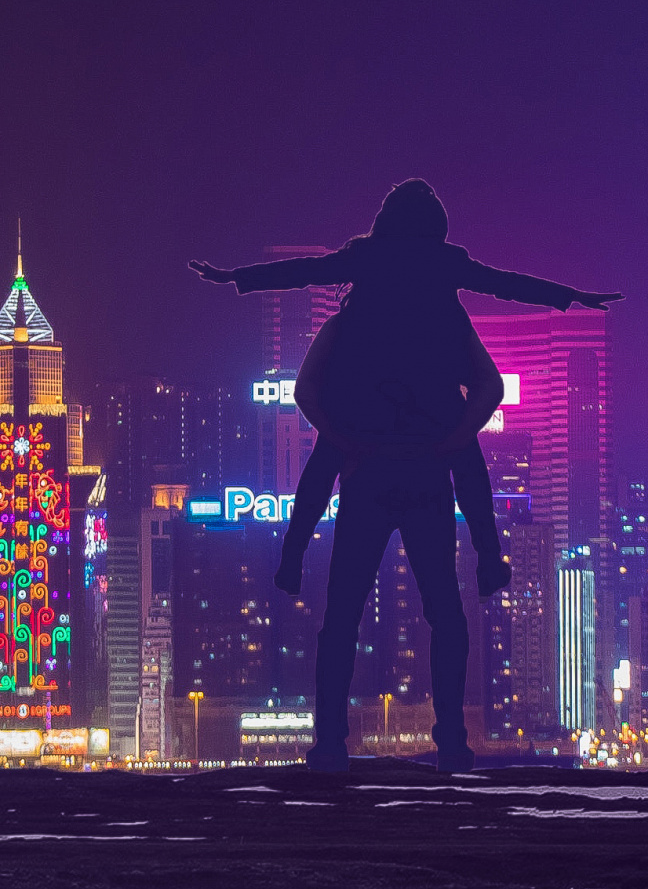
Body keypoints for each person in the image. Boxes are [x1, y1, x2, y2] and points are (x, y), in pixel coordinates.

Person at [190, 179, 622, 772]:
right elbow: (506, 288)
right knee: (445, 612)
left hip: (365, 468)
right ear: (436, 231)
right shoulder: (445, 303)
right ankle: (452, 740)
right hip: (426, 469)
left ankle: (331, 744)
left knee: (340, 615)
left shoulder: (356, 298)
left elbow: (304, 277)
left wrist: (234, 278)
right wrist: (571, 297)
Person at [272, 309, 510, 601]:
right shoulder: (442, 321)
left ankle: (293, 553)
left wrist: (336, 432)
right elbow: (490, 385)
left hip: (364, 458)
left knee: (344, 608)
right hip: (425, 465)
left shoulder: (347, 323)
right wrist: (457, 433)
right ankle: (488, 557)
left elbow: (305, 390)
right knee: (443, 607)